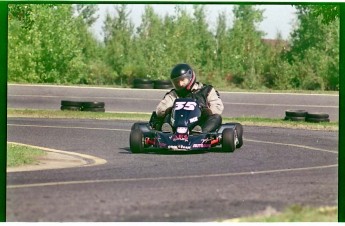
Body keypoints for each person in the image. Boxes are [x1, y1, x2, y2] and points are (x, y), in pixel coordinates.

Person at [151, 63, 224, 133]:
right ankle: (167, 132)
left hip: (199, 122)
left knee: (216, 117)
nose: (180, 84)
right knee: (164, 116)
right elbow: (160, 109)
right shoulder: (174, 94)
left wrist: (206, 111)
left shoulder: (207, 90)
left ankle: (200, 134)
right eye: (177, 82)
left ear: (190, 78)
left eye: (182, 80)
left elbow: (218, 107)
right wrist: (169, 110)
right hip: (177, 123)